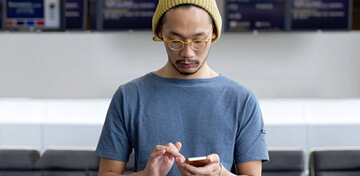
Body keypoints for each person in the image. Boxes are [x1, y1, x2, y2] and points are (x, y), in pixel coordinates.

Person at [96, 0, 269, 175]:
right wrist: (147, 174)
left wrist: (219, 173)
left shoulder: (242, 100)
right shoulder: (129, 97)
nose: (188, 53)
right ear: (160, 33)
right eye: (175, 40)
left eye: (199, 41)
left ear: (214, 34)